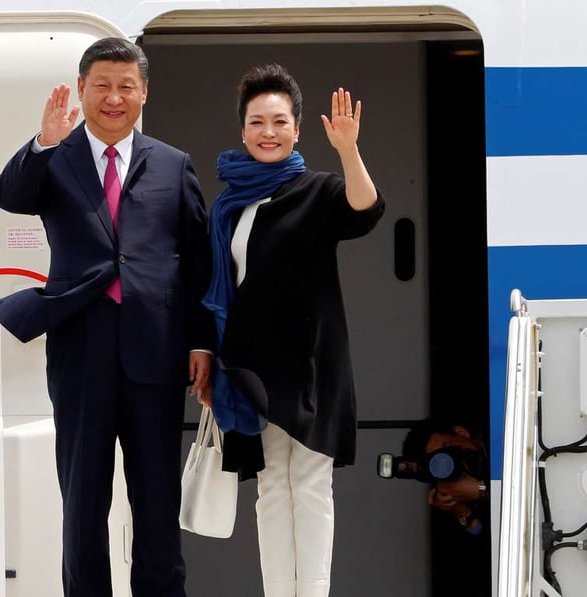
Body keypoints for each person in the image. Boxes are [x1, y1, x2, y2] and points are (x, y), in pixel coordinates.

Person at [0, 37, 215, 597]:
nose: (115, 98)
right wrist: (42, 141)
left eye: (126, 87)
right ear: (82, 89)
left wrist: (202, 344)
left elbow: (200, 262)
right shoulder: (54, 158)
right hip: (80, 345)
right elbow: (7, 196)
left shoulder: (171, 163)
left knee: (155, 502)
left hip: (155, 351)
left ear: (144, 94)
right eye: (102, 86)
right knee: (83, 500)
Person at [201, 63, 384, 597]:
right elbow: (215, 289)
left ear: (297, 130)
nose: (268, 132)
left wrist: (348, 150)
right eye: (257, 121)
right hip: (251, 366)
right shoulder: (228, 206)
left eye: (279, 121)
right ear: (242, 131)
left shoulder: (320, 190)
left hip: (312, 362)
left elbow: (365, 211)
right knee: (270, 490)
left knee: (310, 485)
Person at [401, 418, 489, 535]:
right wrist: (463, 512)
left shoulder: (501, 430)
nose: (449, 462)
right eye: (438, 466)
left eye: (448, 452)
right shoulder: (452, 495)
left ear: (461, 433)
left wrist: (480, 489)